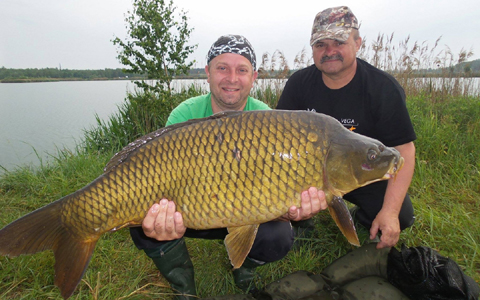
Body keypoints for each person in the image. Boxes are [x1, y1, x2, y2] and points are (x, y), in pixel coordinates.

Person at [129, 34, 327, 299]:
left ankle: (243, 268)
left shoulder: (267, 119)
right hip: (192, 210)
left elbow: (276, 185)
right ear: (208, 73)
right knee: (142, 217)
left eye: (242, 70)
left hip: (247, 209)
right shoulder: (184, 114)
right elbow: (162, 176)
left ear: (253, 77)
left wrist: (293, 209)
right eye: (222, 68)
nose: (232, 78)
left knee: (279, 234)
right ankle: (184, 287)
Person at [277, 6, 416, 250]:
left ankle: (363, 219)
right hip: (305, 174)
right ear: (312, 49)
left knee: (402, 214)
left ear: (357, 42)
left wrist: (390, 212)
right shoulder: (299, 83)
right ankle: (301, 224)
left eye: (338, 42)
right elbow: (276, 141)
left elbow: (404, 150)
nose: (329, 51)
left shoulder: (382, 88)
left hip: (360, 172)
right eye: (321, 45)